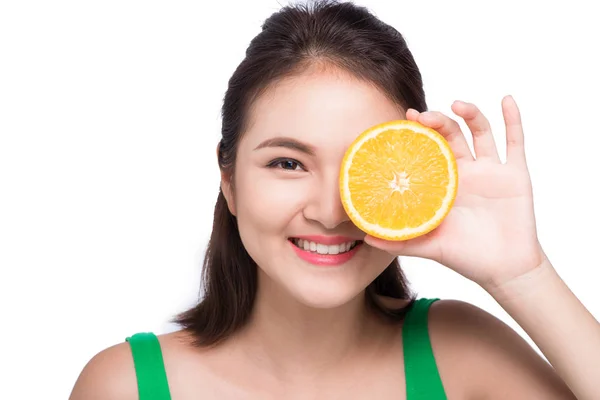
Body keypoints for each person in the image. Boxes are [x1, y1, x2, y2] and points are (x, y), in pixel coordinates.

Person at [69, 1, 599, 399]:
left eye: (361, 170)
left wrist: (523, 275)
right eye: (288, 163)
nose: (329, 210)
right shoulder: (125, 385)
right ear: (228, 180)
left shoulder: (464, 355)